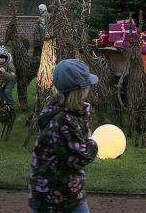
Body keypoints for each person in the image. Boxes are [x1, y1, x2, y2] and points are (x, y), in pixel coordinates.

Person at [29, 59, 99, 213]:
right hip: (51, 196)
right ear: (79, 90)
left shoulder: (74, 112)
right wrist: (94, 142)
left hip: (67, 191)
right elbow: (80, 156)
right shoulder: (62, 120)